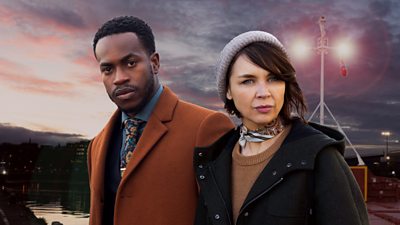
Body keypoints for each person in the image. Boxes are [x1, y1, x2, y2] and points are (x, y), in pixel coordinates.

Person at [194, 31, 369, 225]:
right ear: (228, 90)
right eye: (248, 81)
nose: (264, 92)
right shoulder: (215, 159)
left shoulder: (320, 156)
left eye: (273, 79)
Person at [87, 16, 234, 225]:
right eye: (108, 69)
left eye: (130, 63)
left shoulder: (207, 127)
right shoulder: (96, 145)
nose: (119, 77)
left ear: (154, 63)